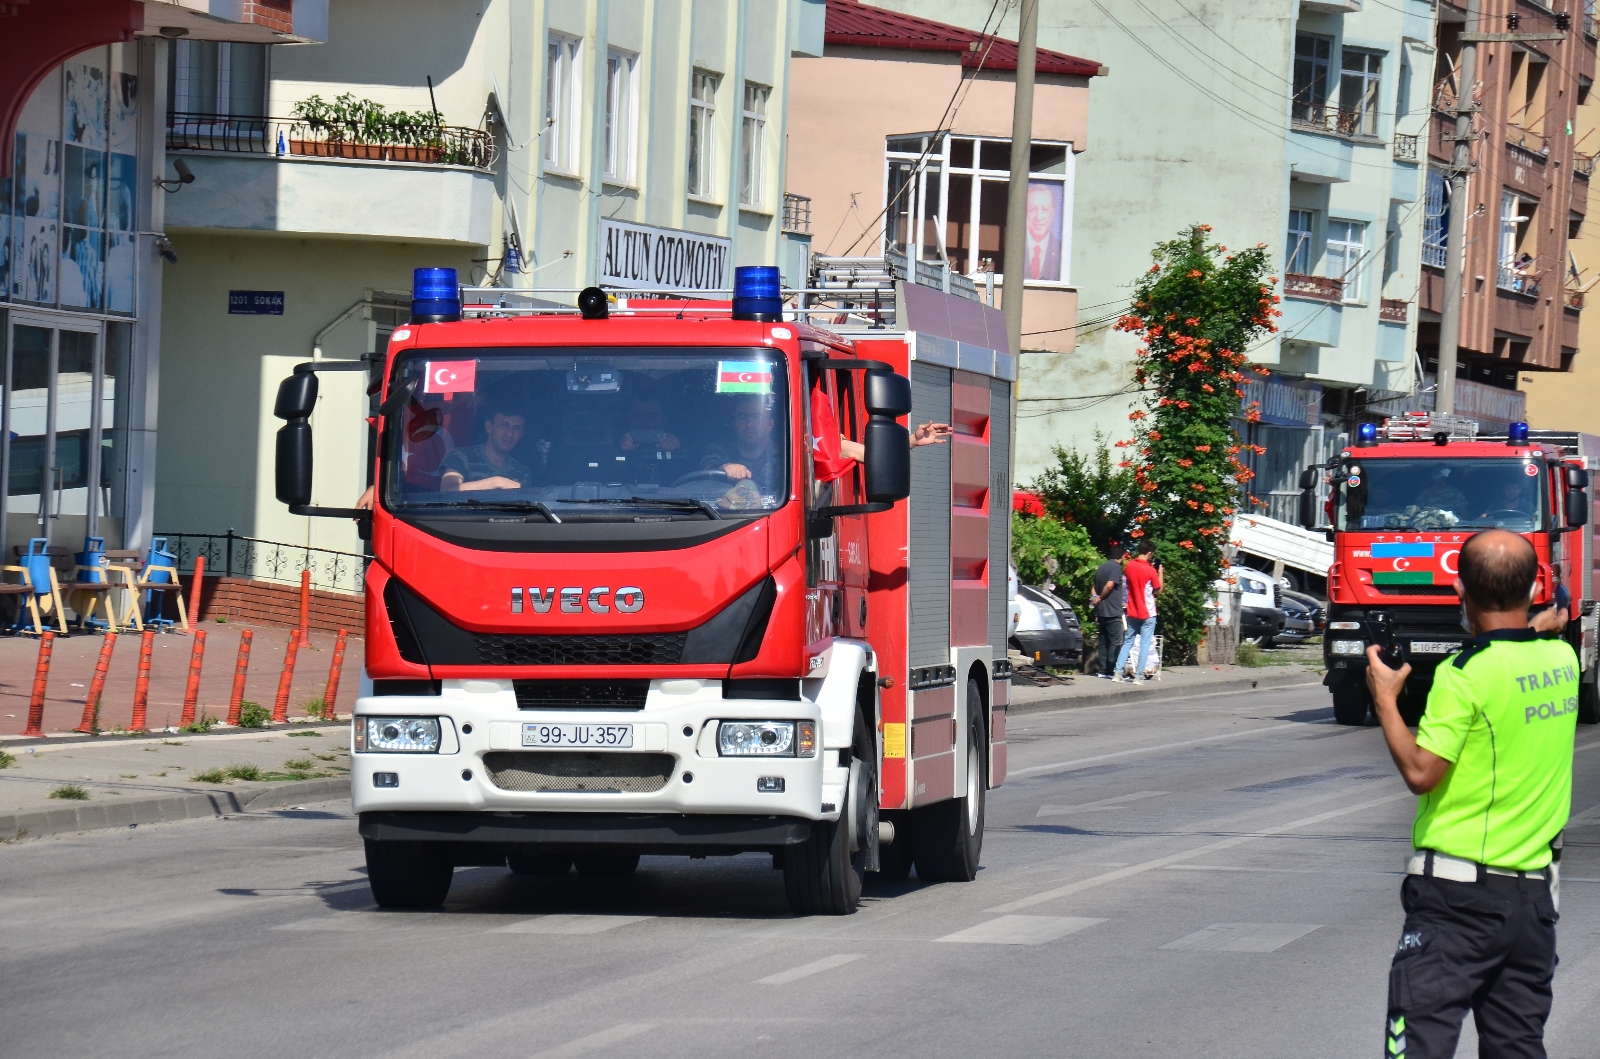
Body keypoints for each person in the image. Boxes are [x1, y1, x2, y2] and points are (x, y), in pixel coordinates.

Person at [1365, 529, 1576, 1059]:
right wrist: (1540, 622)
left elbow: (1421, 773)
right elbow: (1522, 641)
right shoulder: (1561, 662)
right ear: (1532, 588)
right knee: (1517, 1048)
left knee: (1416, 1046)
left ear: (1460, 591)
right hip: (1532, 905)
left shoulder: (1464, 676)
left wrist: (1387, 700)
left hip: (1458, 902)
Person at [439, 403, 532, 492]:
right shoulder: (461, 456)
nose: (510, 434)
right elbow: (446, 491)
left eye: (517, 428)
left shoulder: (522, 472)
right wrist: (495, 483)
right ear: (489, 427)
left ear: (522, 435)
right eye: (504, 425)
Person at [1114, 540, 1161, 683]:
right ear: (1150, 553)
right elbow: (1158, 590)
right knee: (1145, 644)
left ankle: (1117, 672)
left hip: (1132, 609)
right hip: (1148, 611)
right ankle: (1138, 675)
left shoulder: (1128, 566)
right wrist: (1160, 573)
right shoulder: (1150, 570)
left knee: (1128, 641)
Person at [1089, 544, 1126, 679]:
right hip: (1112, 610)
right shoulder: (1116, 568)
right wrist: (1101, 597)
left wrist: (1095, 598)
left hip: (1101, 610)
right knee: (1116, 641)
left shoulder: (1101, 567)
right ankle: (1112, 670)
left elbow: (1093, 587)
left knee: (1103, 641)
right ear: (1122, 556)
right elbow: (1110, 585)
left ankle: (1102, 670)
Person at [1023, 183, 1062, 282]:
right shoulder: (1014, 247)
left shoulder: (1061, 250)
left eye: (1045, 209)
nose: (1038, 217)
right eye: (1033, 209)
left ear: (1052, 213)